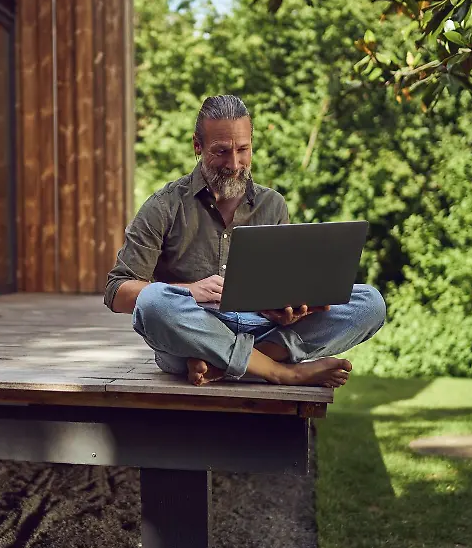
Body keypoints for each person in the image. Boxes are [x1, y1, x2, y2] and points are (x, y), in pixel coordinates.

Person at [104, 94, 387, 388]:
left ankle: (228, 364)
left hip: (261, 331)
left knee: (369, 303)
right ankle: (281, 372)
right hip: (192, 334)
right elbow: (116, 291)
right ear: (197, 146)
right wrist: (190, 291)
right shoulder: (164, 206)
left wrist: (287, 310)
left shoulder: (273, 204)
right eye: (222, 151)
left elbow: (284, 291)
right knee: (153, 303)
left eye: (243, 149)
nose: (235, 163)